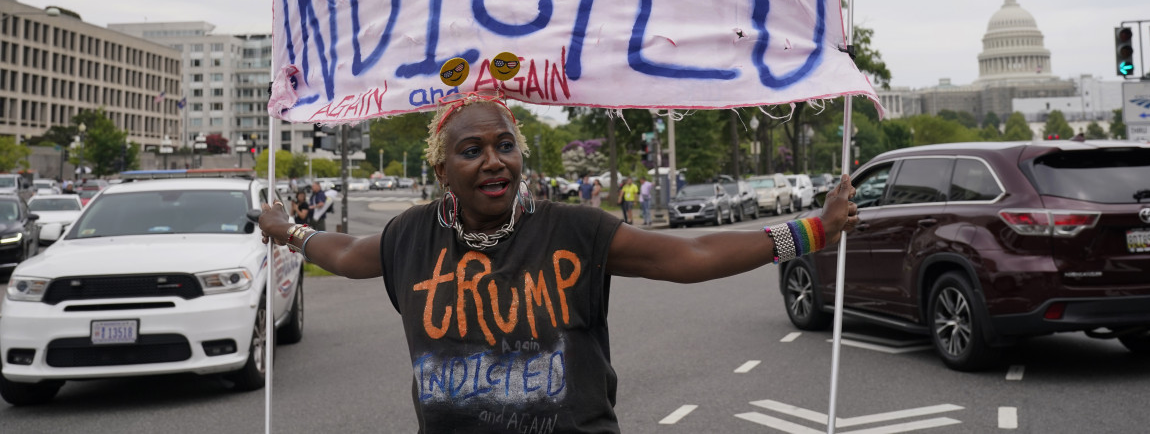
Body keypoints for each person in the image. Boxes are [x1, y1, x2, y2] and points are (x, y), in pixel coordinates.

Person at [258, 92, 858, 434]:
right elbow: (350, 255)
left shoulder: (574, 230)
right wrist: (290, 231)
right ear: (442, 172)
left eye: (505, 145)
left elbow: (691, 255)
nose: (494, 161)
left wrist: (809, 231)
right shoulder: (409, 237)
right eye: (472, 151)